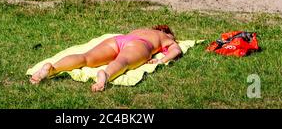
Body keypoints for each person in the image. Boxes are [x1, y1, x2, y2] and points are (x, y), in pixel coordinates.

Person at [30, 25, 182, 92]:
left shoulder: (140, 29)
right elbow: (176, 50)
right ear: (167, 32)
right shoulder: (165, 37)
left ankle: (52, 69)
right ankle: (105, 75)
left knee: (86, 57)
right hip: (140, 45)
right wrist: (162, 60)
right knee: (123, 62)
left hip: (119, 39)